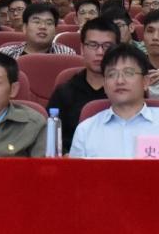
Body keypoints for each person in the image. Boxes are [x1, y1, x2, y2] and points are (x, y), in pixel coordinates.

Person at [68, 44, 159, 158]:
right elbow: (76, 175)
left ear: (145, 82)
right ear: (104, 85)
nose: (120, 81)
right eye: (112, 74)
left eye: (129, 73)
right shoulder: (85, 130)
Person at [45, 19, 118, 150]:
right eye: (93, 45)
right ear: (82, 49)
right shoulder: (64, 92)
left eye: (107, 46)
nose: (100, 52)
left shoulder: (126, 90)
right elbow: (52, 139)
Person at [0, 1, 76, 59]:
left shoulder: (67, 54)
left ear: (55, 30)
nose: (43, 26)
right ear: (25, 28)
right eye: (36, 22)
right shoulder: (5, 54)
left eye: (49, 23)